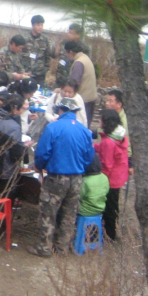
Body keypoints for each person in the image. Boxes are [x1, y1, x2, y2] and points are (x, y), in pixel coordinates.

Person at [28, 98, 95, 258]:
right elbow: (89, 156)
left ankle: (44, 248)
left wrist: (39, 165)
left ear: (60, 110)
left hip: (57, 177)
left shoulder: (53, 127)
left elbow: (43, 152)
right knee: (69, 214)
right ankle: (62, 248)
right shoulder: (85, 131)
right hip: (77, 178)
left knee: (48, 212)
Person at [95, 109, 130, 241]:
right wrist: (96, 147)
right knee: (114, 204)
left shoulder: (108, 142)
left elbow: (107, 165)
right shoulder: (119, 135)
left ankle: (110, 234)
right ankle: (111, 230)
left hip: (111, 178)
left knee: (109, 206)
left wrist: (99, 179)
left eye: (101, 119)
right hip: (120, 175)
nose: (99, 121)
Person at [64, 40, 97, 127]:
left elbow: (73, 83)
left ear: (71, 52)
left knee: (80, 126)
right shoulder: (85, 57)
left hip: (84, 100)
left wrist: (62, 90)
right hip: (91, 98)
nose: (66, 56)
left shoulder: (78, 63)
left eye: (66, 53)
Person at [24, 14, 54, 85]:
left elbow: (48, 56)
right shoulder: (24, 38)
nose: (40, 27)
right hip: (26, 72)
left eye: (42, 25)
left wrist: (45, 69)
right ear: (33, 25)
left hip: (39, 74)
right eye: (38, 25)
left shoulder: (45, 40)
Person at [104, 88, 132, 162]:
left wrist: (129, 162)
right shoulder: (109, 116)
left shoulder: (123, 122)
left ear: (119, 104)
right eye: (107, 100)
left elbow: (127, 144)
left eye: (110, 101)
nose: (107, 103)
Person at [78, 154, 109, 219]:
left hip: (85, 211)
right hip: (100, 208)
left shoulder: (85, 181)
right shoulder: (104, 177)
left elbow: (79, 196)